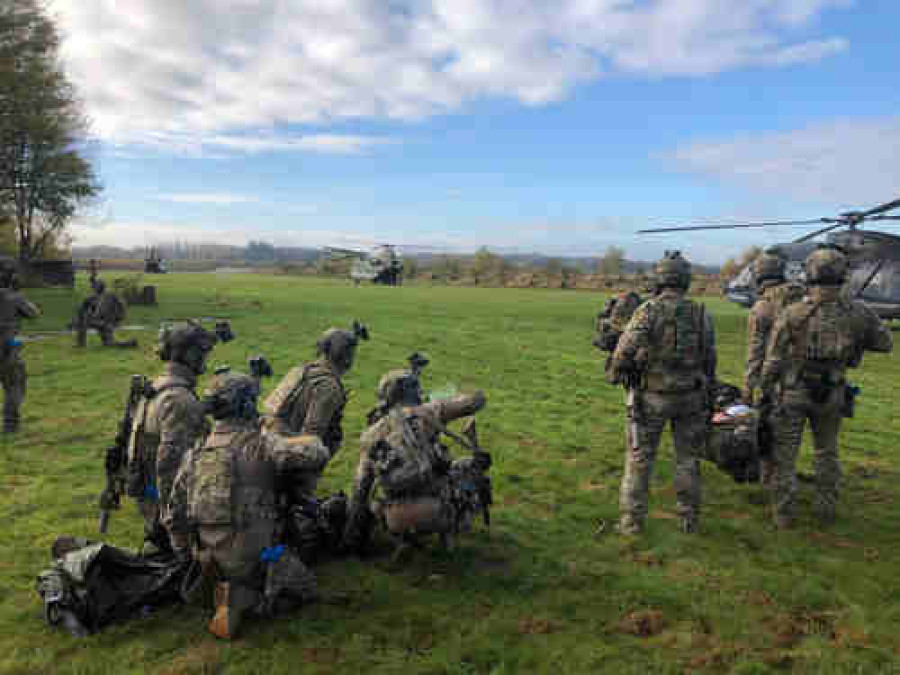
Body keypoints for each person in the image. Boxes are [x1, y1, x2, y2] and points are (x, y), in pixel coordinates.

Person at [165, 369, 330, 640]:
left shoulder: (195, 453)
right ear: (246, 404)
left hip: (208, 559)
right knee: (307, 586)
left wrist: (187, 556)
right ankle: (249, 596)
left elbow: (173, 515)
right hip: (252, 558)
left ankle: (223, 588)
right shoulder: (261, 444)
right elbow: (316, 453)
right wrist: (276, 430)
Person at [761, 245, 892, 528]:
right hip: (833, 392)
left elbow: (773, 359)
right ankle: (826, 512)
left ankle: (783, 515)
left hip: (794, 391)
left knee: (786, 454)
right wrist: (857, 339)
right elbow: (885, 343)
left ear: (810, 275)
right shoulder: (859, 312)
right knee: (827, 453)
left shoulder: (792, 313)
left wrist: (765, 389)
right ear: (842, 276)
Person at [609, 251, 716, 534]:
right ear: (685, 280)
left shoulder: (649, 310)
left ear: (660, 278)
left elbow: (624, 348)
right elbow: (710, 357)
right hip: (690, 397)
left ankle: (631, 523)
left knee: (640, 460)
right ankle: (688, 520)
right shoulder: (701, 313)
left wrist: (616, 371)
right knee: (688, 459)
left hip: (651, 397)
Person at [342, 362, 489, 557]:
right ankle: (451, 532)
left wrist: (349, 538)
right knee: (468, 467)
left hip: (394, 518)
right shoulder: (430, 411)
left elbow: (360, 490)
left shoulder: (370, 435)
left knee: (376, 498)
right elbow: (476, 401)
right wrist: (455, 396)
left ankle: (402, 539)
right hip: (438, 512)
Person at [126, 321, 218, 553]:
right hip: (167, 508)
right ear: (187, 354)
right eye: (201, 352)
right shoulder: (179, 399)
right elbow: (171, 467)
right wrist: (176, 529)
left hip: (150, 495)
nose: (204, 358)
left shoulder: (158, 385)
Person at [743, 249, 805, 487]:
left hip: (776, 379)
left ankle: (771, 480)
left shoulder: (763, 307)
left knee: (769, 430)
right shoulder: (804, 297)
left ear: (759, 276)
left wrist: (749, 387)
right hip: (810, 379)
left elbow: (755, 352)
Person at [0, 270, 41, 433]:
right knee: (15, 385)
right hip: (7, 347)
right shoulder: (15, 297)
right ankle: (10, 425)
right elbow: (33, 313)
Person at [73, 277, 136, 348]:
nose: (95, 288)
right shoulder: (91, 298)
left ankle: (129, 344)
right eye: (95, 286)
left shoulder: (111, 297)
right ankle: (81, 343)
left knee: (109, 343)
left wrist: (116, 321)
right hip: (99, 322)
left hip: (107, 323)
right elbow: (82, 310)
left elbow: (121, 309)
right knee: (84, 318)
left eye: (97, 286)